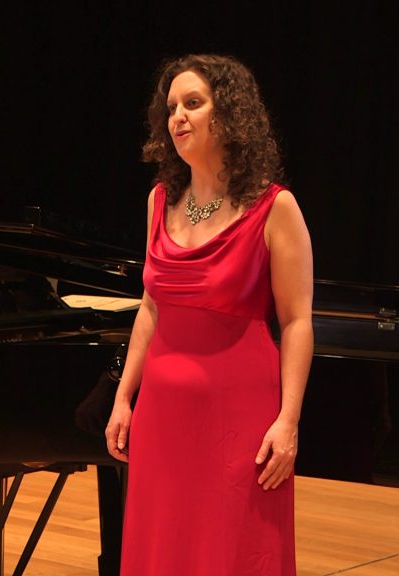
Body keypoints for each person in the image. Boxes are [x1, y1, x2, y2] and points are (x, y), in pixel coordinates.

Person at [105, 54, 314, 575]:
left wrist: (288, 420)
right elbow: (152, 306)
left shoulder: (273, 207)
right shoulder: (160, 201)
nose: (177, 116)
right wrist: (124, 395)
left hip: (239, 418)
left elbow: (297, 321)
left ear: (230, 116)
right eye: (171, 106)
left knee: (232, 552)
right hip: (163, 417)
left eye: (193, 103)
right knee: (164, 549)